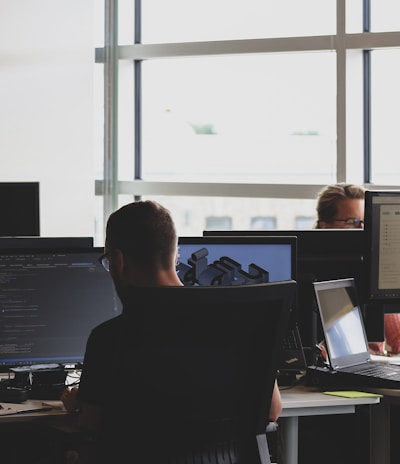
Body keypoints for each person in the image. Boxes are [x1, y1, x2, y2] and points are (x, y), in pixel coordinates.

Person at [61, 200, 282, 462]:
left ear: (118, 261)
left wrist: (76, 407)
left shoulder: (110, 337)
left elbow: (93, 423)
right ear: (176, 256)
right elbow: (272, 410)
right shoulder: (241, 321)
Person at [313, 183, 400, 355]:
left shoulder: (374, 273)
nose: (363, 230)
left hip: (369, 371)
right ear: (325, 225)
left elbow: (398, 341)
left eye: (365, 222)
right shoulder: (312, 276)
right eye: (353, 222)